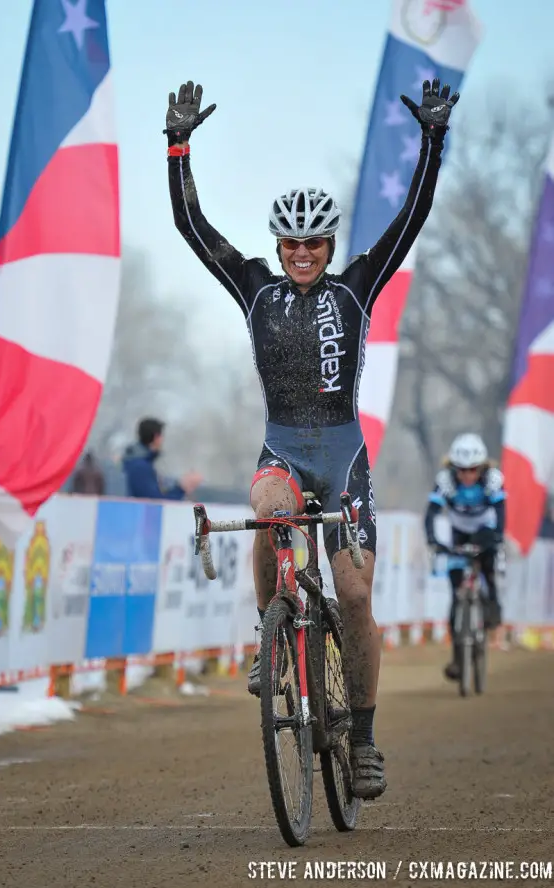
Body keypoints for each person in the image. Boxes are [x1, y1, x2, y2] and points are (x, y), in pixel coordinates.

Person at [164, 78, 459, 800]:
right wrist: (177, 147)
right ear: (280, 245)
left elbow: (412, 216)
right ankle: (272, 637)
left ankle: (361, 740)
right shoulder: (255, 287)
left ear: (329, 245)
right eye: (291, 243)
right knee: (268, 508)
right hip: (284, 449)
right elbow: (192, 228)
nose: (301, 253)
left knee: (354, 595)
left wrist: (433, 140)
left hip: (344, 455)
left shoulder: (358, 284)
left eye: (313, 243)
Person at [424, 433, 506, 681]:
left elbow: (501, 511)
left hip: (484, 530)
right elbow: (431, 514)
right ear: (453, 467)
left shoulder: (493, 479)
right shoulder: (445, 480)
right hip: (459, 533)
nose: (468, 475)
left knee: (489, 571)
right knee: (456, 591)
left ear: (481, 467)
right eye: (462, 470)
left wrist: (497, 536)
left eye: (473, 470)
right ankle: (458, 660)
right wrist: (433, 541)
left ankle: (493, 612)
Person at [122, 417, 202, 501]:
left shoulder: (135, 462)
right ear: (157, 438)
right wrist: (182, 488)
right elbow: (154, 502)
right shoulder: (140, 466)